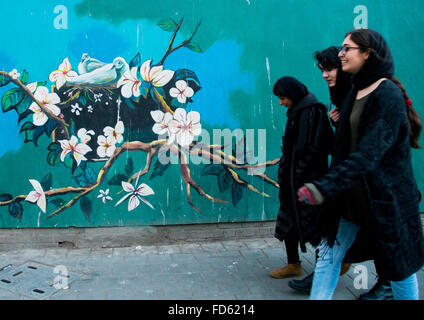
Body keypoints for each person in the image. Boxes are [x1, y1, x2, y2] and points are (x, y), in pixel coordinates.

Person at [297, 29, 424, 300]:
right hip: (349, 198)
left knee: (399, 270)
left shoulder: (386, 93)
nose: (340, 54)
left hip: (383, 199)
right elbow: (350, 144)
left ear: (367, 54)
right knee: (328, 255)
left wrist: (326, 185)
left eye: (347, 49)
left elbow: (370, 150)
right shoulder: (355, 89)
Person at [289, 46, 395, 300]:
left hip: (370, 182)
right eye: (323, 70)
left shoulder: (368, 92)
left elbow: (372, 141)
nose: (325, 75)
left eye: (330, 68)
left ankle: (388, 284)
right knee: (333, 240)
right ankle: (329, 276)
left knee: (384, 238)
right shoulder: (342, 94)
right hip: (349, 181)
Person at [270, 76, 334, 279]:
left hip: (307, 182)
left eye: (283, 97)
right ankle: (293, 264)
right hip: (292, 180)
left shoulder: (313, 112)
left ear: (293, 94)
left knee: (313, 225)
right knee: (288, 220)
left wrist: (299, 178)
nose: (281, 102)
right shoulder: (297, 112)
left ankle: (322, 271)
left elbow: (312, 149)